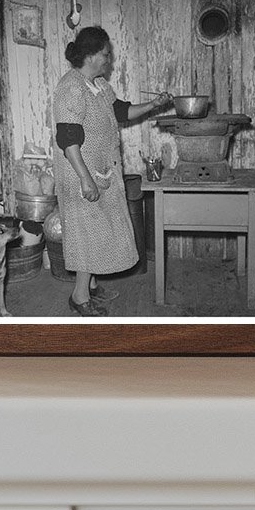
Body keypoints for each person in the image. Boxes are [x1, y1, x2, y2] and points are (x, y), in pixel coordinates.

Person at [53, 26, 171, 316]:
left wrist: (153, 105)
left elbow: (120, 111)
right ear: (92, 55)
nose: (110, 60)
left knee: (100, 230)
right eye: (106, 54)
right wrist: (85, 179)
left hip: (99, 171)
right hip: (78, 172)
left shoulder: (100, 86)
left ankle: (91, 286)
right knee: (86, 233)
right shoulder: (71, 87)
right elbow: (68, 140)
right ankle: (79, 297)